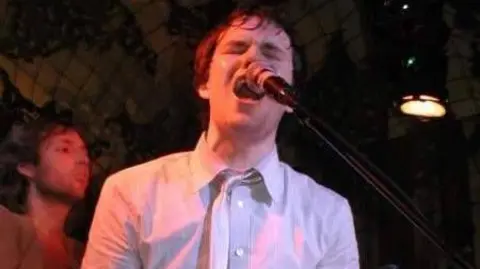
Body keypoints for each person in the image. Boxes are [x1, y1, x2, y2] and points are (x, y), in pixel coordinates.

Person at [81, 7, 359, 269]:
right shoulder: (131, 193)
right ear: (205, 84)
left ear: (289, 98)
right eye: (237, 48)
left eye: (271, 52)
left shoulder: (328, 213)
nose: (253, 59)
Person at [0, 118, 91, 268]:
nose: (83, 160)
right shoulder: (5, 226)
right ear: (27, 167)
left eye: (84, 152)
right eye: (65, 149)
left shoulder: (85, 253)